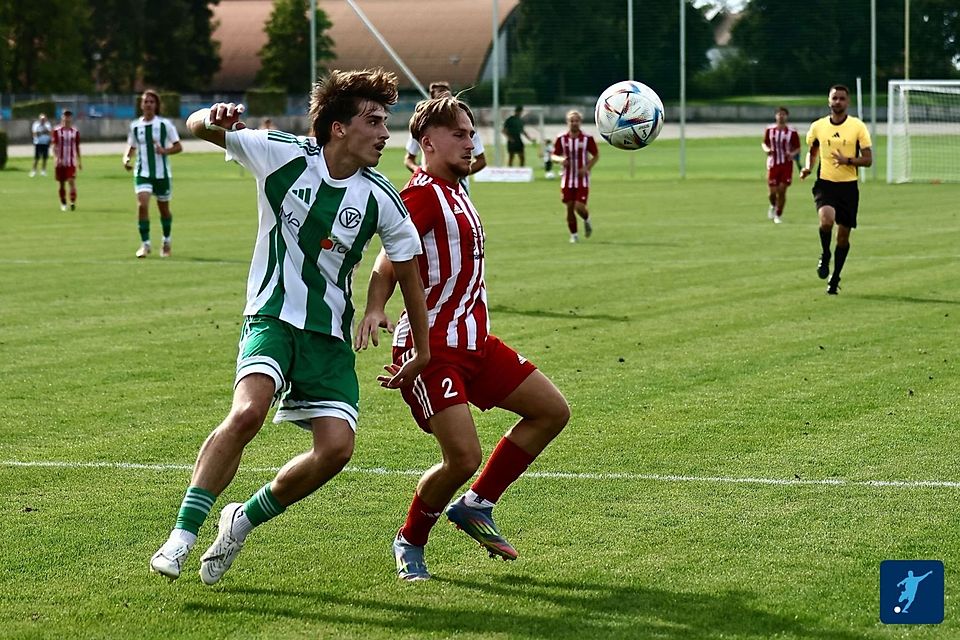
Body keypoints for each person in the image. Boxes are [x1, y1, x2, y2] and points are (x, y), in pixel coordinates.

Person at [148, 68, 432, 586]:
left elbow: (407, 271)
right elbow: (197, 127)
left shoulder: (380, 197)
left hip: (328, 335)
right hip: (271, 315)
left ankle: (242, 520)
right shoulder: (283, 154)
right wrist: (210, 117)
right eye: (373, 121)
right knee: (247, 413)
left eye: (385, 122)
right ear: (339, 128)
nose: (385, 134)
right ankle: (182, 536)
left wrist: (416, 343)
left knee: (336, 450)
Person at [356, 95, 570, 581]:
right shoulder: (422, 195)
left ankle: (476, 504)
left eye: (472, 134)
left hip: (475, 342)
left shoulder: (457, 190)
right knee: (463, 457)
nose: (470, 142)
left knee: (551, 411)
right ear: (427, 142)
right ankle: (410, 540)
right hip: (431, 348)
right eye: (459, 134)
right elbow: (389, 260)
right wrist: (375, 306)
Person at [800, 84, 873, 295]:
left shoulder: (857, 127)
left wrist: (847, 160)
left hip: (848, 188)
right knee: (826, 221)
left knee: (842, 238)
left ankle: (835, 278)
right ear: (829, 100)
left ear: (847, 102)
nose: (838, 102)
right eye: (834, 98)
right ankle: (825, 254)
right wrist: (808, 167)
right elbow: (813, 150)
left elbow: (868, 160)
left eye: (842, 98)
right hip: (826, 184)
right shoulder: (818, 126)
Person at [122, 90, 183, 258]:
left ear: (156, 105)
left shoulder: (165, 125)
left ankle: (166, 241)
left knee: (164, 210)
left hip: (162, 174)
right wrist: (126, 158)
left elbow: (178, 146)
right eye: (145, 101)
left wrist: (165, 151)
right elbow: (131, 146)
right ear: (141, 105)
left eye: (151, 101)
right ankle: (145, 244)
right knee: (142, 205)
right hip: (142, 172)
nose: (148, 104)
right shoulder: (135, 126)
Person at [403, 81, 487, 186]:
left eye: (448, 98)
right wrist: (419, 171)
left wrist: (457, 173)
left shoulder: (466, 126)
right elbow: (409, 159)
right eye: (459, 135)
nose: (470, 145)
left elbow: (481, 160)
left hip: (458, 185)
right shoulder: (422, 128)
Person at [551, 110, 599, 243]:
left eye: (576, 120)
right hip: (567, 179)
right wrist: (560, 160)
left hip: (582, 179)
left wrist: (586, 168)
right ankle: (574, 235)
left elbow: (596, 155)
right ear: (567, 122)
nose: (574, 123)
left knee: (579, 207)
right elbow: (554, 155)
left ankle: (587, 219)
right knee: (569, 207)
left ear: (580, 122)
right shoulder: (561, 138)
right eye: (571, 121)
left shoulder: (587, 138)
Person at [761, 107, 800, 224]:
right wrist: (767, 150)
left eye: (783, 114)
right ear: (775, 116)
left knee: (782, 190)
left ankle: (778, 214)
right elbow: (764, 143)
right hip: (773, 164)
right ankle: (773, 205)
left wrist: (792, 154)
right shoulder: (770, 129)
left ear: (787, 116)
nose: (781, 116)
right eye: (779, 114)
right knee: (772, 192)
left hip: (786, 165)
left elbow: (797, 148)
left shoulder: (792, 132)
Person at [51, 110, 81, 211]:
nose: (67, 118)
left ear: (71, 118)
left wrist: (79, 161)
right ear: (62, 117)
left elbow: (77, 146)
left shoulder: (75, 132)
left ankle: (72, 201)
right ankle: (63, 202)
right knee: (62, 183)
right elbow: (54, 146)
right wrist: (55, 158)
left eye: (68, 116)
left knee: (71, 181)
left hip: (70, 161)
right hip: (60, 162)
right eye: (65, 116)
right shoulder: (57, 131)